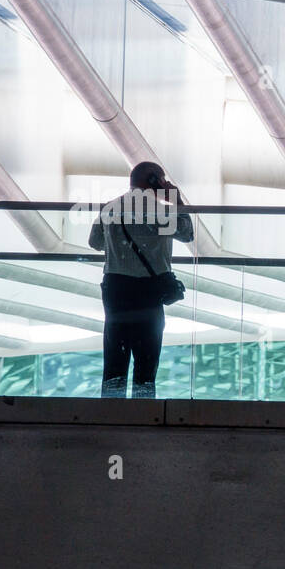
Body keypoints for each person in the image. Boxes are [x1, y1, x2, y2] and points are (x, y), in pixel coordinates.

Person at [88, 162, 193, 399]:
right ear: (154, 180)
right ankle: (143, 411)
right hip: (149, 291)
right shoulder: (161, 211)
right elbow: (187, 233)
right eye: (161, 179)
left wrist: (118, 246)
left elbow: (95, 242)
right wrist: (176, 199)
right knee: (146, 361)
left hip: (116, 288)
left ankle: (110, 412)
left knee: (115, 359)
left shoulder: (110, 208)